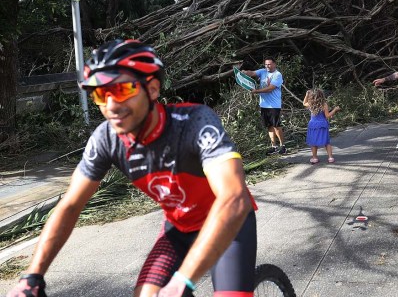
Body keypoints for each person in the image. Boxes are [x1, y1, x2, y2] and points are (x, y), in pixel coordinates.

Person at [7, 39, 257, 297]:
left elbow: (233, 198)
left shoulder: (195, 122)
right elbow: (69, 206)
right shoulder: (106, 139)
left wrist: (184, 279)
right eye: (100, 94)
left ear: (152, 89)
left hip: (230, 224)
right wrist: (32, 276)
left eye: (122, 89)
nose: (111, 105)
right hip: (179, 228)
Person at [242, 58, 285, 155]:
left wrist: (256, 91)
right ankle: (274, 146)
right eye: (266, 64)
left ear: (274, 64)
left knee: (276, 126)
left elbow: (270, 88)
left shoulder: (277, 75)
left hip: (274, 105)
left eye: (269, 64)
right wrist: (244, 72)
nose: (267, 66)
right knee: (269, 126)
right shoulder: (263, 71)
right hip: (264, 104)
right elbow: (252, 73)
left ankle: (283, 146)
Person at [303, 89, 341, 164]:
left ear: (311, 97)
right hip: (322, 125)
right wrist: (335, 110)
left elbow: (304, 103)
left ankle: (314, 158)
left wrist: (306, 95)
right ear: (321, 96)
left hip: (313, 125)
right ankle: (330, 157)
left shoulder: (310, 104)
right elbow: (327, 116)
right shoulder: (324, 104)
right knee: (326, 141)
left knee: (313, 143)